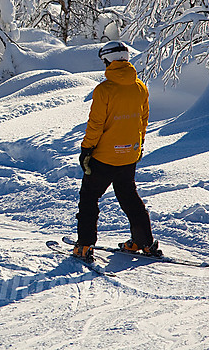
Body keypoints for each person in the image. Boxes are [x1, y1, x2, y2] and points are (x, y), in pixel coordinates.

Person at [72, 41, 161, 262]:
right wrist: (138, 146)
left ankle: (84, 245)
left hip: (104, 157)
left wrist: (86, 150)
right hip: (129, 155)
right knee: (129, 196)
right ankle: (144, 243)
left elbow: (96, 124)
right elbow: (143, 121)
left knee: (89, 198)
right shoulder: (140, 87)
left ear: (108, 60)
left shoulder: (104, 90)